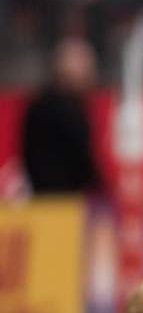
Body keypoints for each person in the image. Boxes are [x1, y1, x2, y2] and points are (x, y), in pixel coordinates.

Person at [20, 37, 103, 195]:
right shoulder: (68, 110)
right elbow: (83, 161)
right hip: (65, 199)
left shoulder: (37, 105)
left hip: (42, 196)